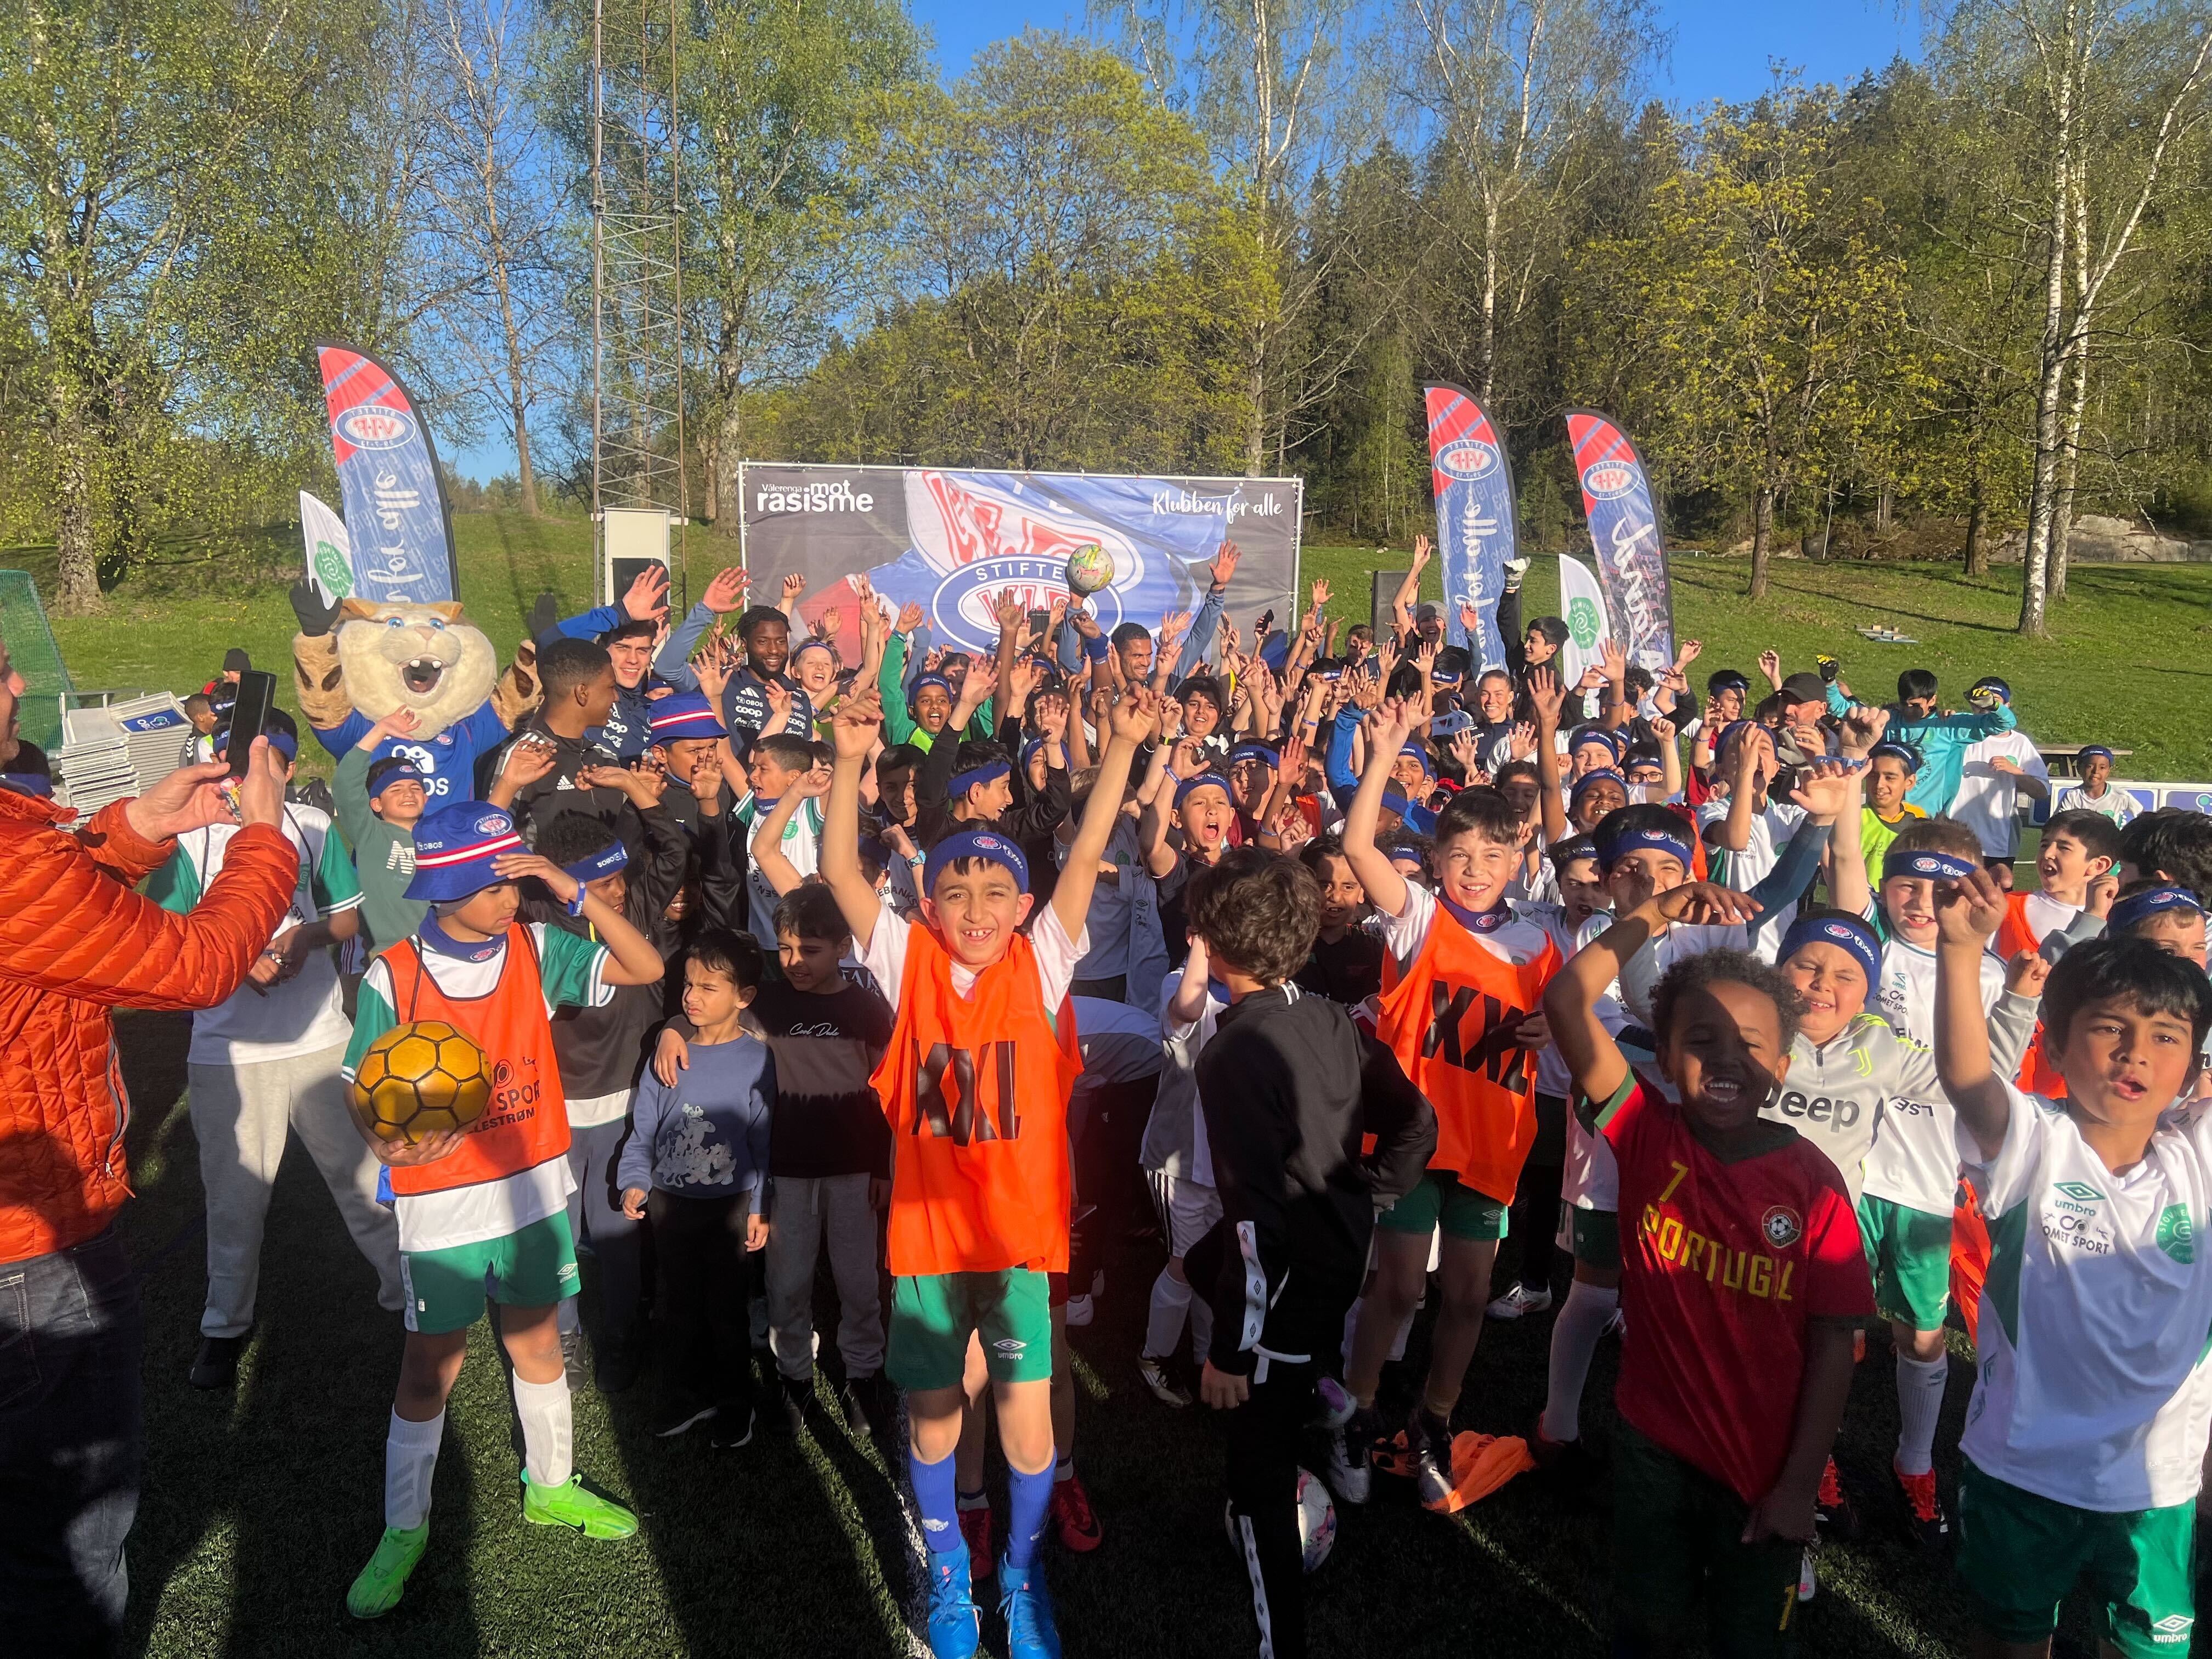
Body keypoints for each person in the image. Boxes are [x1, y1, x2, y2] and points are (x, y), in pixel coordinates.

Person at [818, 680, 1152, 1659]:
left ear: (1023, 905)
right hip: (926, 1243)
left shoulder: (1043, 961)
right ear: (930, 902)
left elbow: (1085, 851)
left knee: (1025, 1434)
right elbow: (841, 868)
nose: (973, 907)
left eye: (994, 890)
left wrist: (1124, 745)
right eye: (955, 891)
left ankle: (1019, 1576)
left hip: (1013, 1244)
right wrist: (845, 763)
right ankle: (950, 1579)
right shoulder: (904, 957)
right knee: (931, 1422)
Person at [0, 644, 296, 1655]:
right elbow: (200, 963)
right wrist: (266, 833)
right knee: (65, 1547)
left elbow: (46, 915)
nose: (16, 688)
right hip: (30, 1256)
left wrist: (131, 831)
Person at [340, 801, 663, 1620]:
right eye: (492, 888)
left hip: (529, 1191)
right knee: (429, 1369)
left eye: (514, 882)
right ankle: (404, 1529)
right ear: (444, 891)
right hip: (441, 1208)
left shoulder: (536, 944)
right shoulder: (393, 974)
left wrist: (570, 890)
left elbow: (646, 965)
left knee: (538, 1346)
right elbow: (359, 1085)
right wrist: (385, 1145)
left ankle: (551, 1486)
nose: (509, 901)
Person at [1543, 885, 1875, 1658]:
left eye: (1751, 1044)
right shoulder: (1644, 1132)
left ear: (1784, 1066)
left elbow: (1834, 1343)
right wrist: (1655, 914)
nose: (1727, 1057)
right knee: (1647, 1628)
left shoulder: (1814, 1183)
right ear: (1662, 1055)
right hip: (1652, 1447)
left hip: (1764, 1466)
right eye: (1702, 1040)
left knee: (1750, 1639)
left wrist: (1800, 1484)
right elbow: (1567, 997)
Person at [1931, 877, 2212, 1659]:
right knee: (2013, 1641)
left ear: (2193, 1066)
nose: (2135, 1053)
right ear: (2053, 1046)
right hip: (2027, 1470)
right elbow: (1965, 1078)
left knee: (2148, 1649)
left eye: (2165, 1037)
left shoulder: (2199, 1156)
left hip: (2157, 1487)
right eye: (2109, 1029)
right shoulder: (2034, 1145)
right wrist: (1960, 950)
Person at [1184, 848, 1434, 1659]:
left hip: (1286, 1289)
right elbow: (1416, 1124)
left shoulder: (1232, 1056)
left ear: (1214, 946)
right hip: (1335, 1260)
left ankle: (1278, 1641)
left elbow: (1257, 1227)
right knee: (1196, 1259)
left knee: (1256, 1475)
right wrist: (1373, 1201)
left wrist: (1229, 1351)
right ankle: (1327, 1394)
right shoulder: (1333, 1016)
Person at [1336, 696, 1560, 1509]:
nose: (1474, 866)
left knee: (1467, 1294)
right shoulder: (1418, 920)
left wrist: (1549, 1031)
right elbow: (1359, 846)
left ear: (1516, 858)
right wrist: (1386, 748)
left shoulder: (1538, 942)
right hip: (1414, 1139)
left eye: (1491, 853)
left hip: (1494, 1145)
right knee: (1397, 1288)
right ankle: (1357, 1415)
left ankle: (1433, 1417)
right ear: (1434, 860)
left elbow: (1565, 1029)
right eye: (1458, 853)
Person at [146, 712, 403, 1389]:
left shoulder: (311, 826)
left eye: (267, 763)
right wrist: (233, 960)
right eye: (238, 764)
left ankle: (409, 1299)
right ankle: (223, 1328)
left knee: (368, 1187)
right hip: (226, 1050)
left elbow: (346, 916)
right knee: (234, 1202)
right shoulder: (195, 834)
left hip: (321, 1039)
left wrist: (302, 941)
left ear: (288, 768)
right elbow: (168, 931)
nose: (247, 778)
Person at [653, 883, 894, 1437]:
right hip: (786, 1170)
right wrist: (671, 1031)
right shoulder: (768, 1001)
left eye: (810, 950)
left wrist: (884, 1165)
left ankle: (863, 1373)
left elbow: (888, 1091)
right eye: (785, 948)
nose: (795, 962)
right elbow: (707, 1015)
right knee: (788, 1282)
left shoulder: (864, 1008)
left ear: (842, 946)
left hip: (855, 1170)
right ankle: (795, 1378)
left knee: (859, 1280)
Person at [525, 794, 689, 1392]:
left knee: (619, 1233)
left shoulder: (636, 908)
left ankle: (622, 1335)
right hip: (558, 1114)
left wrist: (644, 794)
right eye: (603, 885)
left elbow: (672, 851)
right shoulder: (542, 933)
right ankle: (564, 1335)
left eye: (620, 880)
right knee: (560, 1236)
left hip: (627, 1106)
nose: (617, 892)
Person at [619, 929, 774, 1444]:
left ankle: (735, 1402)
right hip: (671, 1207)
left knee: (728, 1312)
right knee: (679, 1305)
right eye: (688, 985)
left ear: (743, 997)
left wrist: (758, 1205)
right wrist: (635, 1182)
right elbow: (645, 1129)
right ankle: (688, 1394)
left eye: (709, 988)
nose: (691, 997)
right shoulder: (666, 1055)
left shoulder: (757, 1060)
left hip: (730, 1209)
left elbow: (762, 1143)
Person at [1949, 678, 2048, 868]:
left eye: (1993, 700)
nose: (1986, 707)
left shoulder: (2019, 743)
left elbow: (2042, 792)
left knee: (1997, 895)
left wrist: (2017, 772)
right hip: (1955, 836)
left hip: (1997, 841)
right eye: (1980, 701)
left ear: (2007, 706)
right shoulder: (1958, 733)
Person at [2051, 744, 2138, 830]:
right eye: (2090, 766)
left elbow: (2143, 818)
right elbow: (2058, 824)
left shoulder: (2121, 796)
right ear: (2079, 769)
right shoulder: (2072, 796)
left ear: (2109, 771)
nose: (2096, 771)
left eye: (2102, 767)